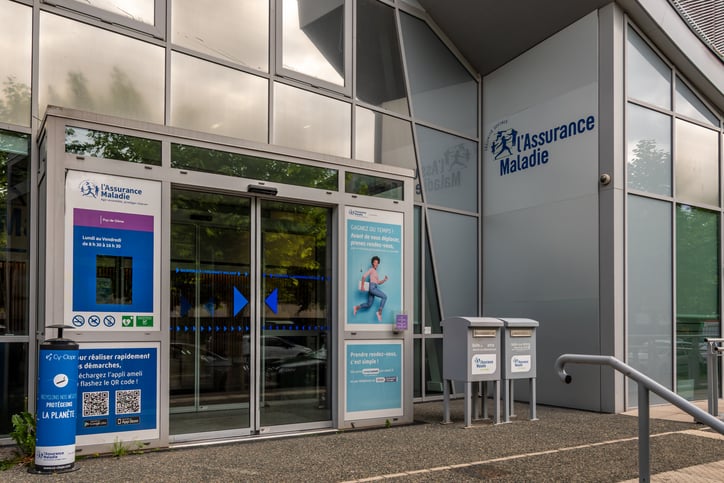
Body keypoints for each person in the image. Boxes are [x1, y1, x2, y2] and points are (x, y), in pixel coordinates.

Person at [353, 256, 389, 322]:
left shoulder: (375, 272)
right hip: (372, 288)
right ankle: (379, 312)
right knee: (384, 297)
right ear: (372, 263)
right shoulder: (371, 269)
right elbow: (363, 276)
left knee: (369, 305)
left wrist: (384, 280)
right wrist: (362, 286)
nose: (376, 264)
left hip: (374, 287)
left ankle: (356, 307)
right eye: (375, 262)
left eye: (377, 263)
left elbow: (378, 282)